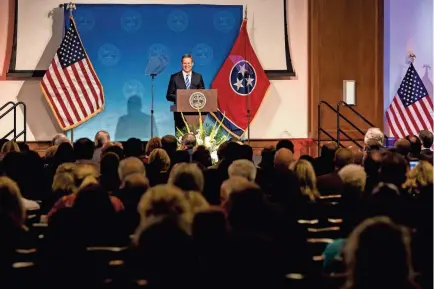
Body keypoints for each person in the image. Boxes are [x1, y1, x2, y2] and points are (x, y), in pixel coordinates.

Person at [166, 54, 205, 131]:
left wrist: (193, 98)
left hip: (195, 113)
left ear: (192, 64)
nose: (187, 65)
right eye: (185, 63)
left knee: (195, 137)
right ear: (181, 64)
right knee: (181, 138)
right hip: (180, 114)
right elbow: (169, 95)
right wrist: (183, 97)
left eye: (189, 63)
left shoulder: (198, 77)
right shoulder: (174, 77)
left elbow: (203, 94)